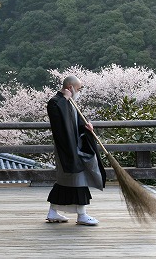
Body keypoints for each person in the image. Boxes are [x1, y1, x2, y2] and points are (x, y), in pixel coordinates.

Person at [46, 75, 106, 226]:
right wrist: (64, 99)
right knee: (77, 179)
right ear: (70, 88)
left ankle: (53, 212)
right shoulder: (56, 102)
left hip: (75, 146)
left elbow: (75, 123)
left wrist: (86, 127)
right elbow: (60, 124)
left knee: (67, 180)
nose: (79, 92)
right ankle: (82, 215)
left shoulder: (69, 102)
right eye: (78, 89)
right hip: (65, 149)